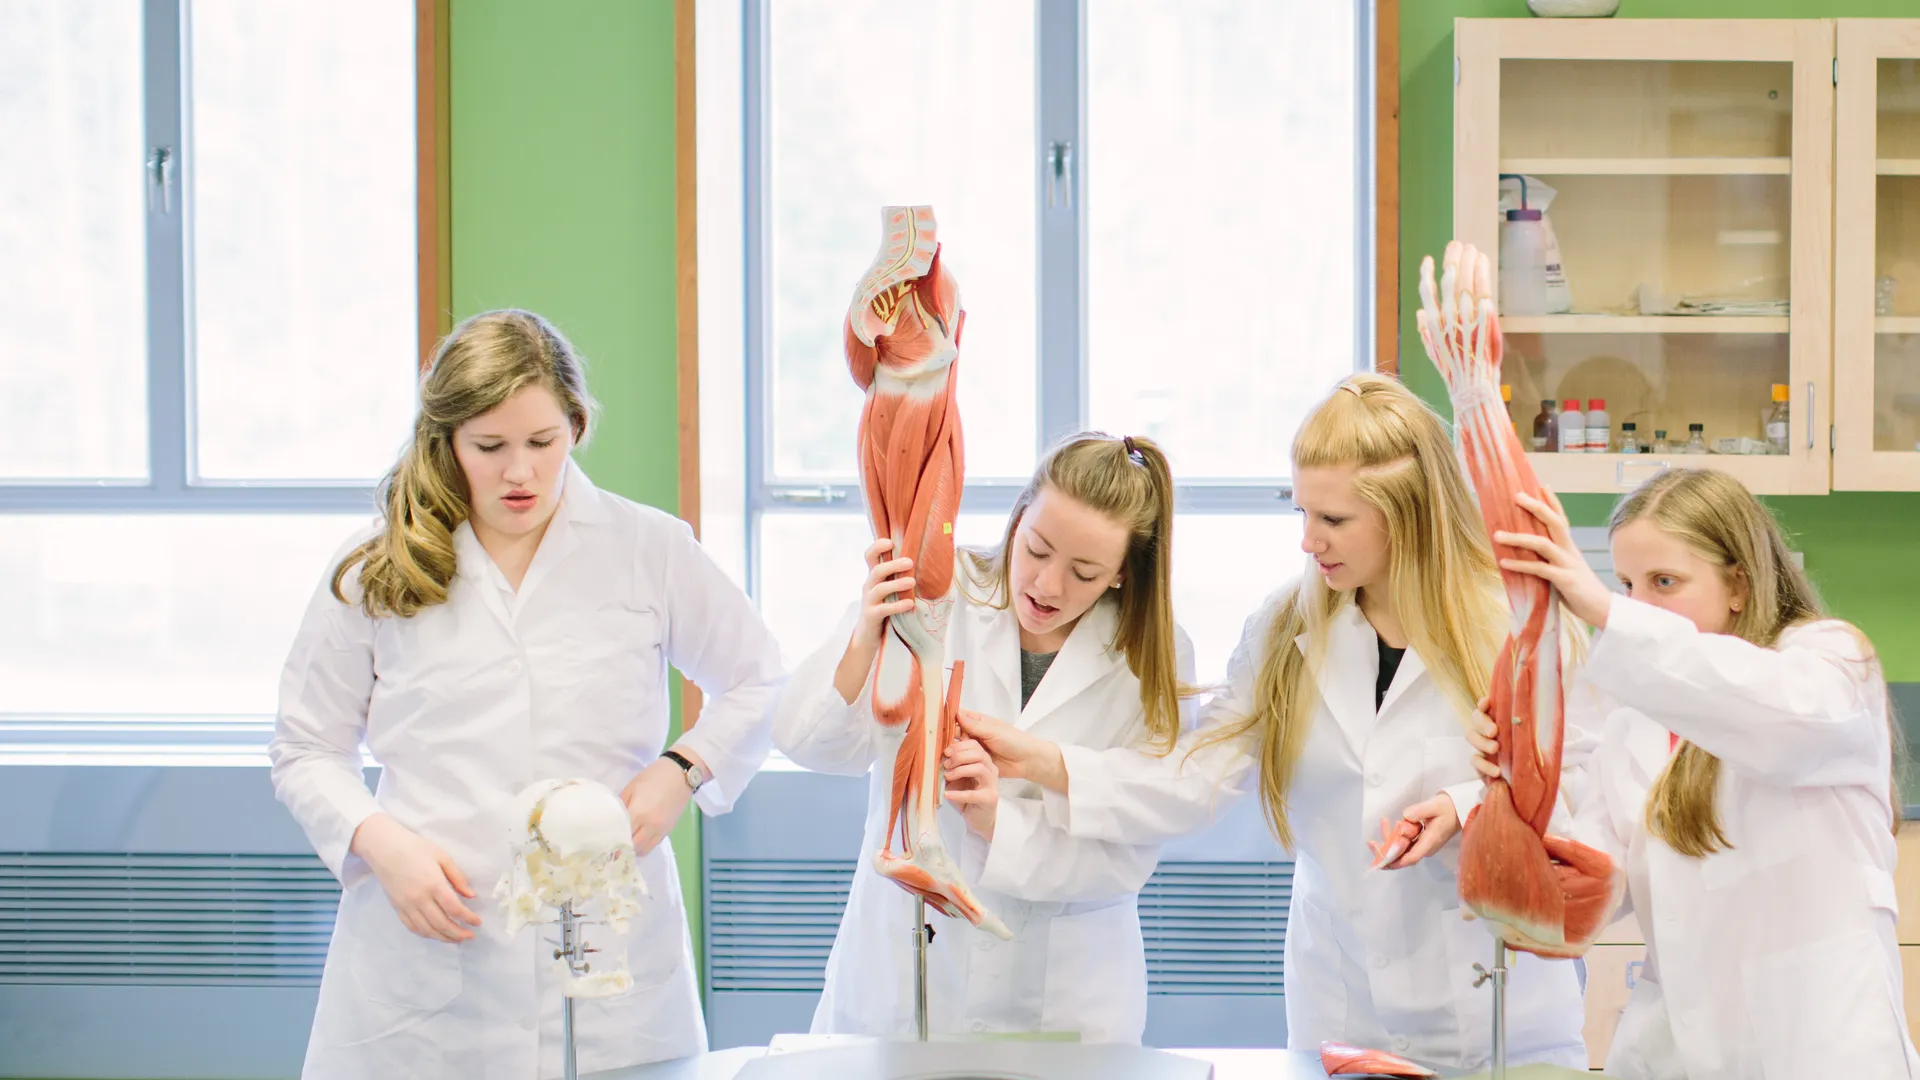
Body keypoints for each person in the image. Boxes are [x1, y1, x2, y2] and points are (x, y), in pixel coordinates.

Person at [963, 374, 1589, 1070]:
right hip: (1341, 1000)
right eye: (1302, 513)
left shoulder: (1516, 622)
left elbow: (1588, 790)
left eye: (1333, 521)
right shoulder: (1289, 624)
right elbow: (1200, 776)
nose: (1308, 541)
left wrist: (1470, 806)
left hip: (1494, 1002)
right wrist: (1043, 761)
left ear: (1407, 513)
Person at [270, 309, 785, 1078]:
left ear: (575, 426)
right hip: (429, 968)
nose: (520, 473)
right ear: (446, 443)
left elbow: (758, 676)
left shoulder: (648, 549)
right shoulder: (376, 566)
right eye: (491, 447)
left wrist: (683, 768)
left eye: (543, 443)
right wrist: (381, 844)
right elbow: (305, 748)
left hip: (610, 959)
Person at [1469, 466, 1920, 1079]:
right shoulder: (1637, 722)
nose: (1641, 605)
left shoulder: (1829, 662)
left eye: (1665, 581)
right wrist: (1507, 790)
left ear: (1739, 582)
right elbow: (1589, 887)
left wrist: (1602, 609)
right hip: (1675, 1050)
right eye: (1627, 584)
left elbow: (1770, 718)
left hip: (1815, 1046)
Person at [772, 432, 1194, 1043]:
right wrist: (867, 633)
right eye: (1037, 549)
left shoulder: (1154, 658)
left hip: (1062, 991)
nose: (1047, 586)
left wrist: (1000, 823)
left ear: (1124, 574)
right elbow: (811, 743)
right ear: (1018, 517)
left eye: (1083, 572)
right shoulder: (936, 595)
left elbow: (1130, 852)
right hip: (906, 970)